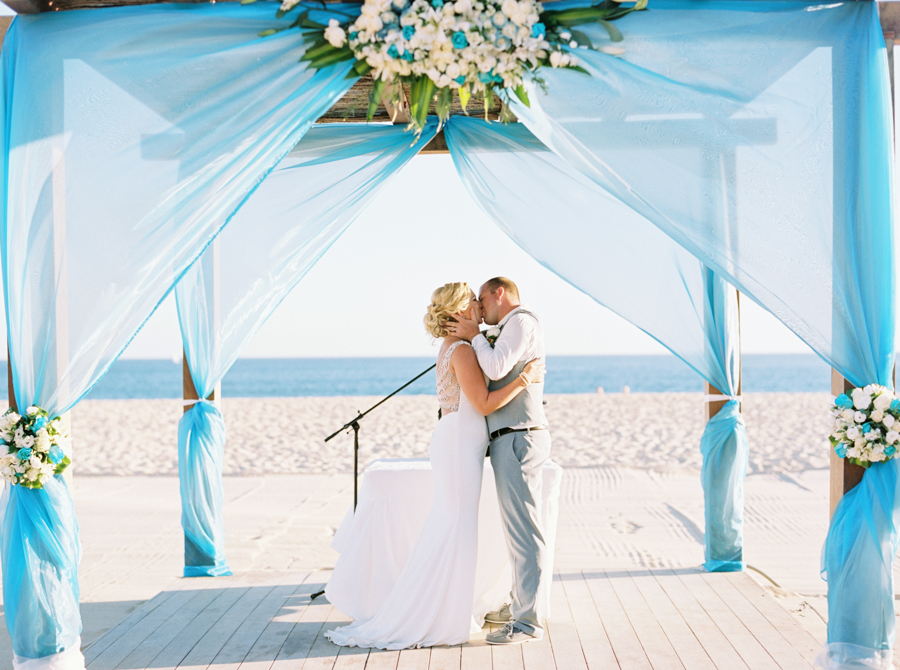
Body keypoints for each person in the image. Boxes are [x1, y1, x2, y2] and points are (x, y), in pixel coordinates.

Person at [325, 282, 544, 650]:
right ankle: (438, 617)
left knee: (451, 528)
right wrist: (525, 379)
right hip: (459, 444)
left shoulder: (456, 347)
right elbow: (486, 403)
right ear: (460, 311)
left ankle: (443, 612)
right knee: (455, 528)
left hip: (456, 439)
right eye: (472, 301)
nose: (478, 305)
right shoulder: (461, 350)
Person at [446, 276, 552, 646]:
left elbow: (494, 368)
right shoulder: (508, 327)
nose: (479, 307)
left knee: (525, 532)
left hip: (519, 437)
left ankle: (528, 623)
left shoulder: (521, 322)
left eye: (482, 299)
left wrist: (475, 335)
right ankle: (522, 605)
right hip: (508, 438)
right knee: (516, 531)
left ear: (499, 294)